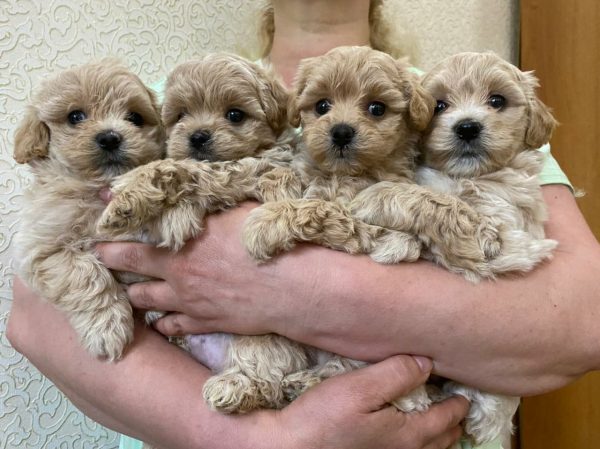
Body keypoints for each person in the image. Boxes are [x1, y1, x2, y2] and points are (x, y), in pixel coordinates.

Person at [8, 0, 600, 448]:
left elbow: (583, 321)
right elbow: (36, 312)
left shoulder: (449, 97)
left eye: (374, 109)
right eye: (318, 107)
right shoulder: (148, 103)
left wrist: (295, 294)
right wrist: (263, 439)